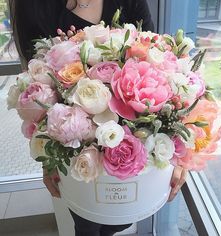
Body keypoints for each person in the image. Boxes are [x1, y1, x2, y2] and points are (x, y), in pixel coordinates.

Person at [10, 1, 187, 235]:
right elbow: (38, 87)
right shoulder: (31, 6)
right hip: (75, 149)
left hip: (130, 151)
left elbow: (157, 60)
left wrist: (180, 154)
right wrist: (47, 157)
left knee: (121, 220)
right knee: (87, 223)